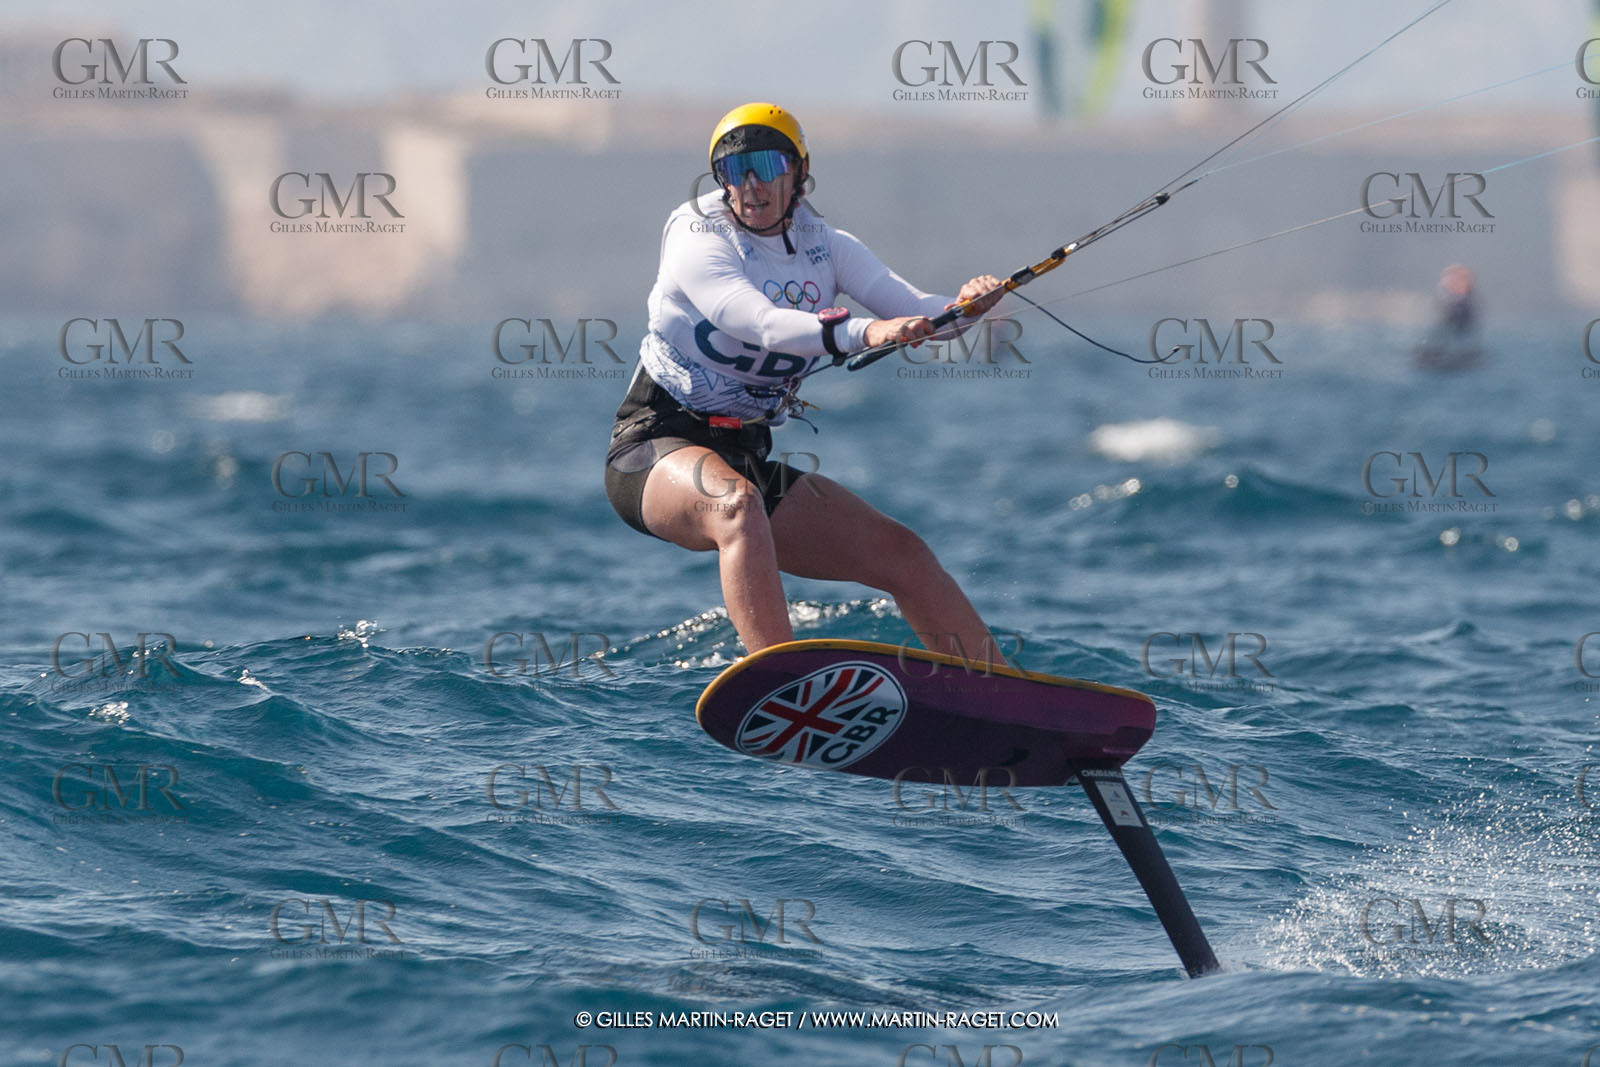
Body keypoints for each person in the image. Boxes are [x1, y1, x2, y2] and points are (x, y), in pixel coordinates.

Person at [604, 102, 1005, 657]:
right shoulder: (696, 233)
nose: (750, 185)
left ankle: (994, 690)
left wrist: (964, 307)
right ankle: (779, 680)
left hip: (744, 452)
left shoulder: (829, 247)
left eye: (767, 166)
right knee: (736, 508)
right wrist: (863, 333)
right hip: (655, 444)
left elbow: (914, 311)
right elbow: (758, 322)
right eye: (733, 170)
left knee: (901, 552)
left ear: (799, 172)